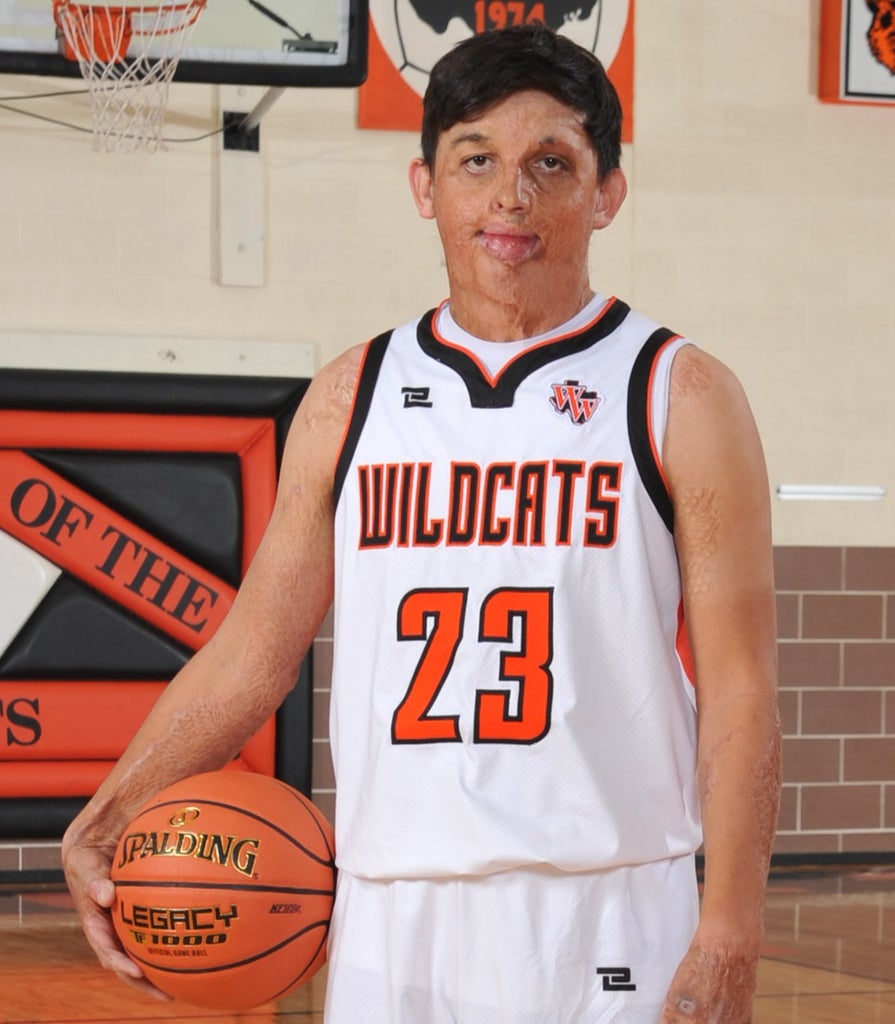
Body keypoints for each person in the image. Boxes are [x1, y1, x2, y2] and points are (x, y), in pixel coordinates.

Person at [61, 23, 780, 1024]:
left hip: (608, 912)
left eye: (551, 163)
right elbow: (252, 655)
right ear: (424, 186)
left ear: (607, 193)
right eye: (475, 160)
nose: (510, 196)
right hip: (388, 919)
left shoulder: (679, 392)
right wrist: (109, 810)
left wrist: (731, 925)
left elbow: (741, 688)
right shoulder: (347, 397)